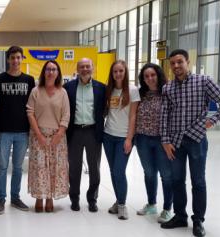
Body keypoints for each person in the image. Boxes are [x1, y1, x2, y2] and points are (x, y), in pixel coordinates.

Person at [160, 49, 220, 237]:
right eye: (173, 63)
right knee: (177, 180)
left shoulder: (203, 81)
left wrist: (212, 120)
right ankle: (180, 216)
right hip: (175, 141)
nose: (176, 66)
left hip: (197, 140)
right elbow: (164, 116)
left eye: (179, 62)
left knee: (198, 181)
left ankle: (198, 220)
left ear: (188, 62)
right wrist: (165, 141)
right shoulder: (167, 88)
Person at [0, 46, 35, 214]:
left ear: (22, 58)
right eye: (13, 57)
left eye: (18, 57)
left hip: (22, 130)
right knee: (3, 166)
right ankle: (1, 199)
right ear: (8, 59)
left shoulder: (29, 80)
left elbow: (33, 104)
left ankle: (15, 197)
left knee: (18, 167)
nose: (16, 60)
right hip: (4, 130)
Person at [26, 60, 70, 212]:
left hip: (57, 136)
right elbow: (30, 113)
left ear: (58, 73)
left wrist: (59, 134)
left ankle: (50, 197)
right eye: (48, 69)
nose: (51, 72)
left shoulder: (62, 92)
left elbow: (66, 115)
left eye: (54, 69)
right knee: (39, 167)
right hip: (38, 136)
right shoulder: (35, 91)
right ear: (44, 72)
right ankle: (39, 197)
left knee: (54, 168)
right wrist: (39, 135)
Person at [63, 58, 106, 212]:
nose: (85, 69)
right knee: (74, 168)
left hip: (93, 132)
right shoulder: (68, 87)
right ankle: (74, 198)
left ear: (92, 68)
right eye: (82, 67)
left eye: (88, 66)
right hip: (74, 132)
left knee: (94, 168)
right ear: (77, 69)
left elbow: (105, 109)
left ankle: (92, 199)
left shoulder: (101, 88)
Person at [134, 63, 173, 223]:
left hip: (162, 140)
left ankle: (167, 209)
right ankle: (151, 204)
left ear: (158, 75)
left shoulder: (168, 92)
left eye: (152, 75)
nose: (150, 78)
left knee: (166, 174)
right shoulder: (141, 94)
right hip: (142, 138)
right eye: (146, 76)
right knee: (149, 173)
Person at [103, 60, 140, 220]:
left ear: (126, 72)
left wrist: (129, 139)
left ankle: (123, 205)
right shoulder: (109, 90)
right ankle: (118, 201)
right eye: (115, 71)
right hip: (108, 135)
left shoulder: (133, 90)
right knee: (113, 171)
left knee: (119, 171)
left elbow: (133, 116)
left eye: (121, 71)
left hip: (123, 138)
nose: (118, 74)